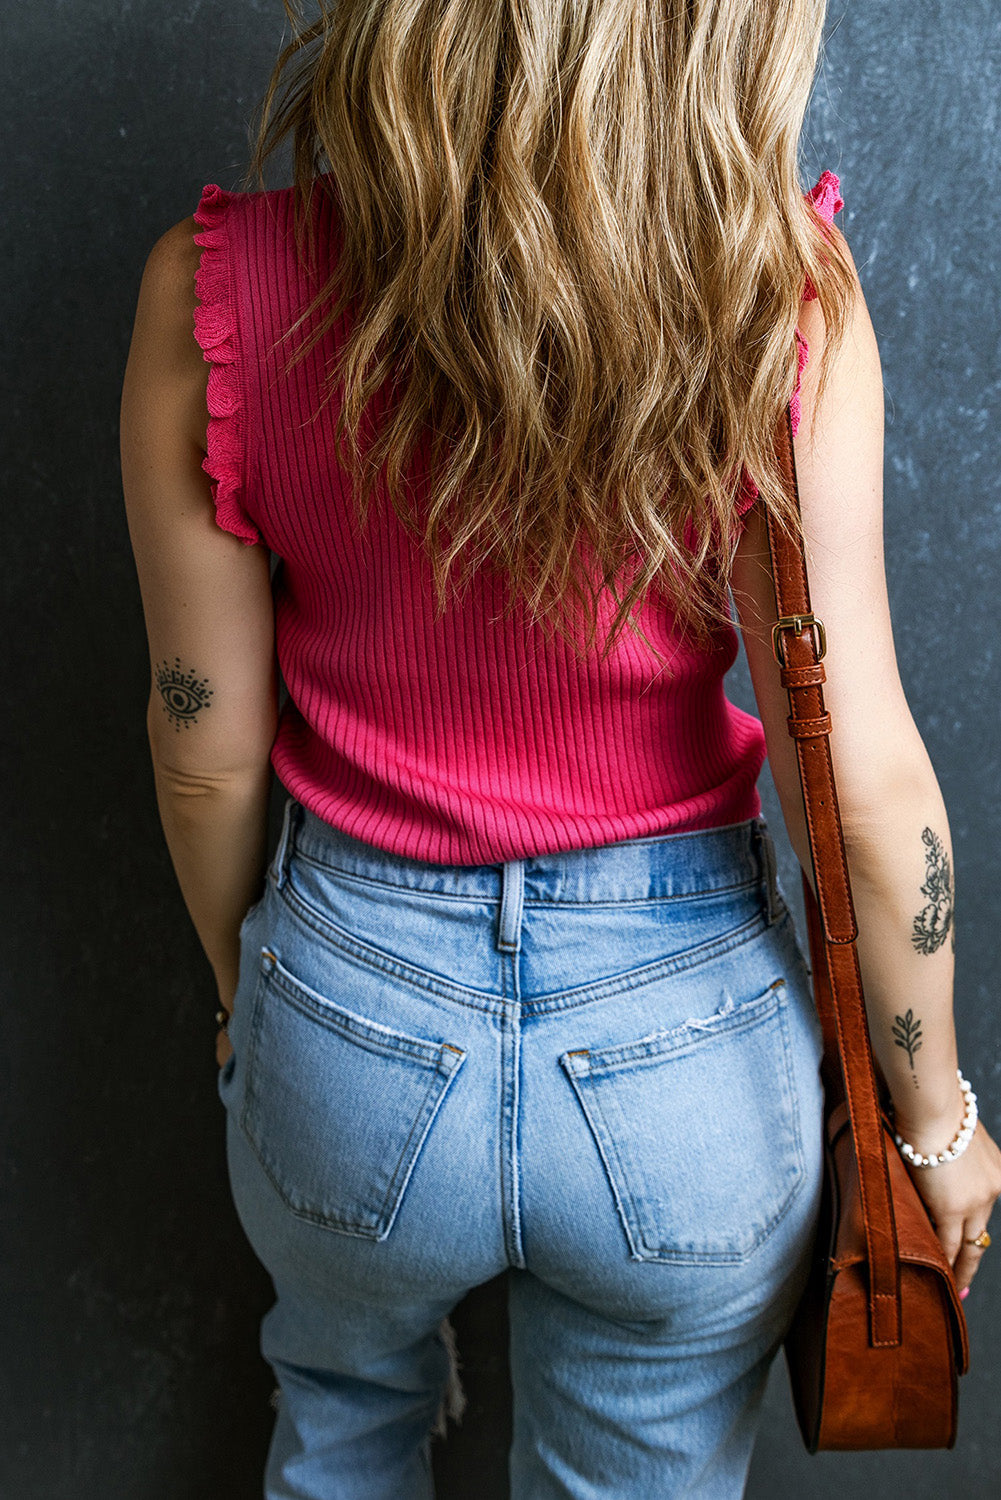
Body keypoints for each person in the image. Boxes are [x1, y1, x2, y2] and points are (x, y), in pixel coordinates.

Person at [119, 2, 1001, 1495]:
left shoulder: (215, 285)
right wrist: (935, 1125)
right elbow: (856, 791)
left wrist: (243, 1003)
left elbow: (203, 748)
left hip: (347, 1022)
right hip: (687, 1063)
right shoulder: (782, 296)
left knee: (335, 1416)